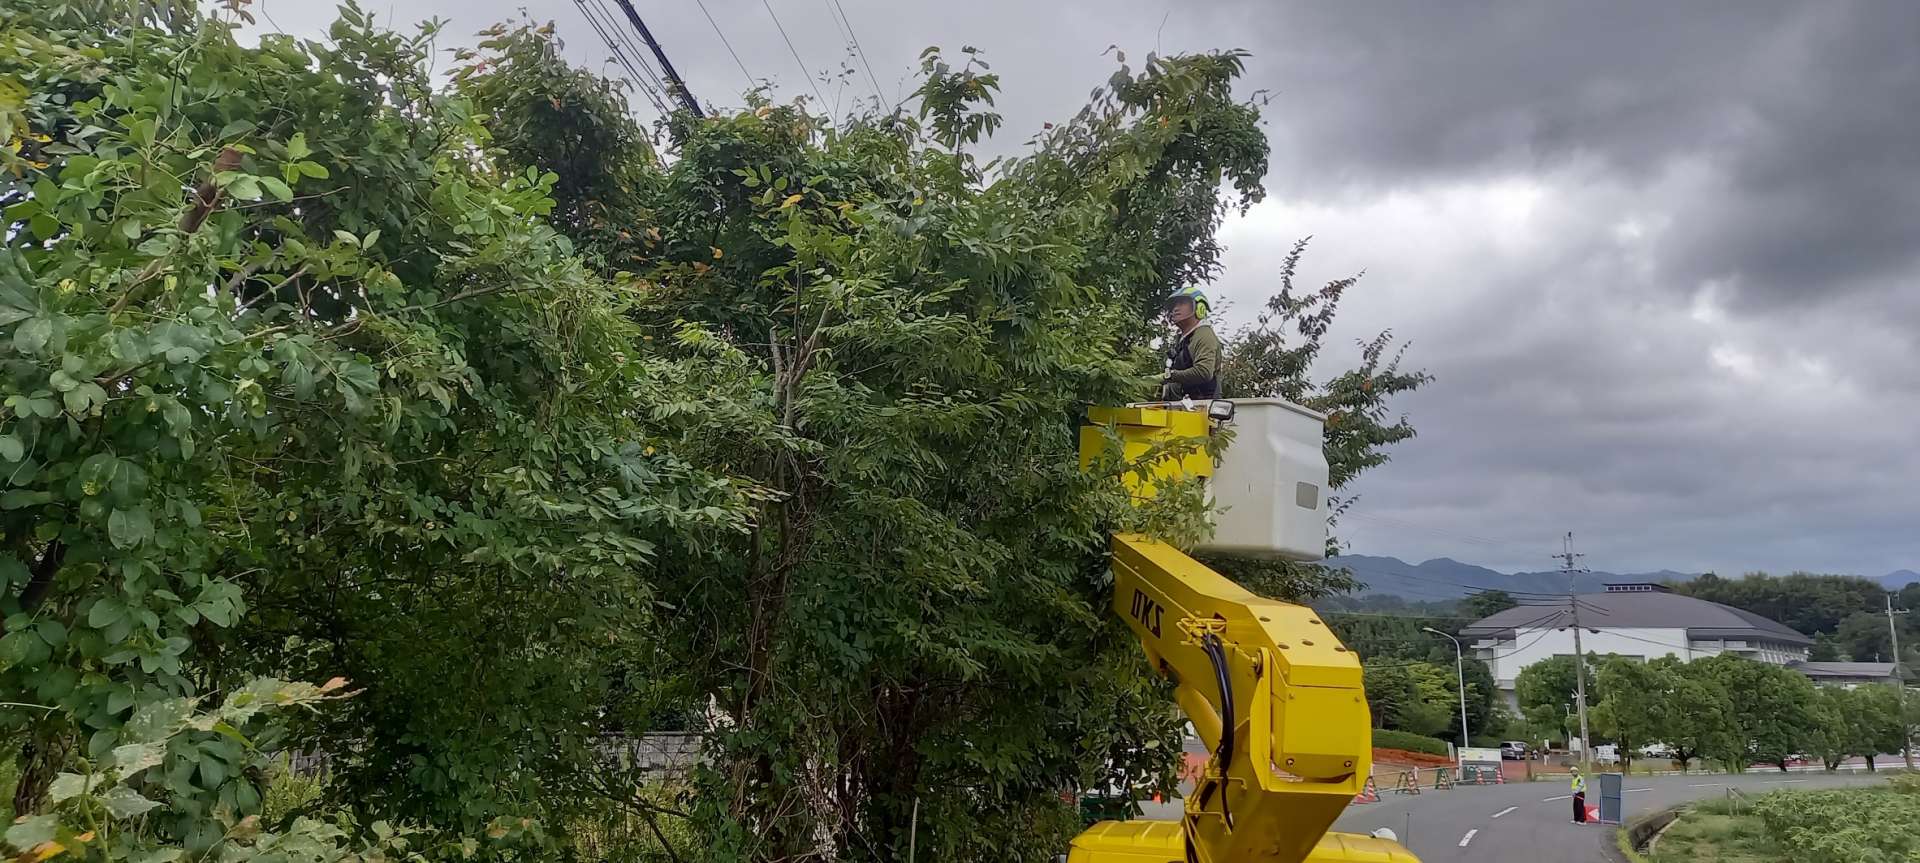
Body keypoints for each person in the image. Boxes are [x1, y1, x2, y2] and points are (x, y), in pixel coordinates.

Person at [1160, 286, 1219, 400]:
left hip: (1203, 407)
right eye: (1174, 305)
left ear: (1199, 307)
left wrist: (1170, 375)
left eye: (1182, 303)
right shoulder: (1185, 339)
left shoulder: (1204, 335)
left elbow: (1204, 372)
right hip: (1186, 405)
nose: (1175, 309)